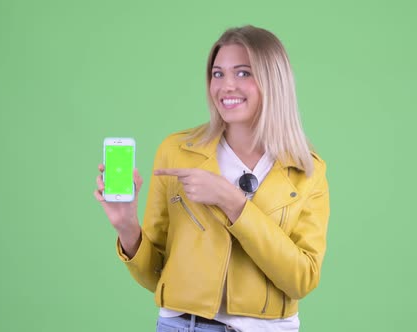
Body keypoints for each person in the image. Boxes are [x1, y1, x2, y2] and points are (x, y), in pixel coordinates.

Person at [94, 25, 330, 332]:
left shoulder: (306, 170)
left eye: (243, 73)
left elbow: (301, 280)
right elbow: (156, 277)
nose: (226, 85)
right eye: (217, 74)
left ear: (273, 81)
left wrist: (232, 202)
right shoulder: (177, 152)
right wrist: (126, 226)